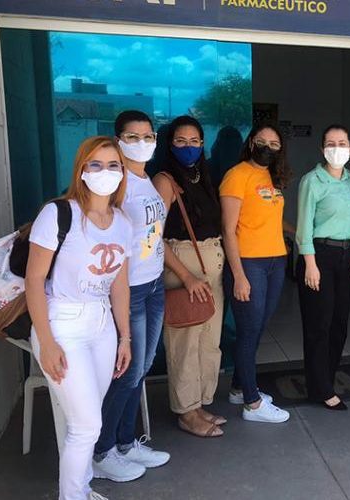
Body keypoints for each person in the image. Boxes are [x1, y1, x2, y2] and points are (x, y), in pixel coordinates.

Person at [26, 136, 133, 500]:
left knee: (87, 420)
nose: (105, 172)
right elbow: (34, 280)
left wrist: (125, 337)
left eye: (113, 165)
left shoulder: (122, 221)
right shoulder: (59, 214)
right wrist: (46, 341)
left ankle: (82, 489)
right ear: (81, 170)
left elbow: (119, 285)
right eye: (96, 165)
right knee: (87, 426)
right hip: (62, 322)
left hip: (101, 325)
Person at [91, 111, 170, 482]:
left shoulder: (146, 179)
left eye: (148, 136)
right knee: (127, 371)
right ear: (117, 140)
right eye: (132, 137)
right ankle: (101, 450)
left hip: (154, 284)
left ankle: (125, 442)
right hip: (131, 289)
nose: (142, 143)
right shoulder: (118, 182)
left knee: (142, 366)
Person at [153, 115, 226, 437]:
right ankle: (186, 411)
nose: (188, 147)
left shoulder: (203, 176)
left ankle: (200, 403)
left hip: (211, 266)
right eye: (181, 141)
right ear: (170, 144)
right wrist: (186, 277)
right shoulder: (165, 181)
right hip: (183, 266)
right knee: (185, 344)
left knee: (209, 342)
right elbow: (153, 237)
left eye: (194, 141)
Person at [220, 122, 292, 423]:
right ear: (251, 143)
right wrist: (238, 275)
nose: (267, 148)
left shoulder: (272, 176)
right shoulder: (236, 175)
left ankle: (239, 388)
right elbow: (228, 230)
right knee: (249, 330)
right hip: (249, 263)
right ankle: (252, 403)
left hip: (276, 260)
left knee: (259, 327)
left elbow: (271, 218)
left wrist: (297, 232)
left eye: (274, 144)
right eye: (262, 141)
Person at [295, 124, 350, 411]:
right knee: (318, 325)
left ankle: (327, 379)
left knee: (339, 323)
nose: (337, 149)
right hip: (318, 255)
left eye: (342, 143)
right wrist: (310, 264)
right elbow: (303, 226)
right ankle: (320, 388)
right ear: (322, 149)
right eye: (331, 144)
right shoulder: (313, 181)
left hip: (345, 257)